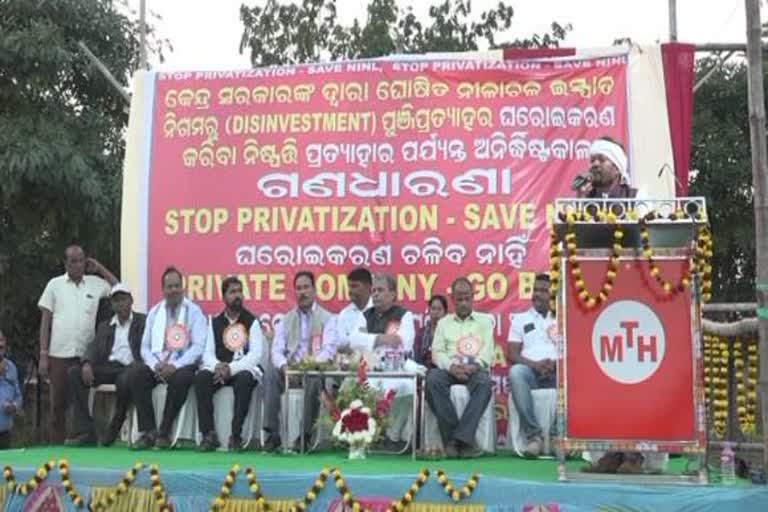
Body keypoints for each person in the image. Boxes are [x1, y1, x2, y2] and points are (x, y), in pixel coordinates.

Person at [37, 244, 117, 443]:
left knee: (80, 405)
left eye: (81, 260)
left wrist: (99, 268)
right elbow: (45, 321)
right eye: (73, 260)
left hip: (84, 356)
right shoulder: (54, 285)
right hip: (58, 354)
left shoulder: (95, 283)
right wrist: (43, 355)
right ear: (66, 263)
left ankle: (79, 443)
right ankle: (56, 448)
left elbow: (118, 287)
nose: (78, 264)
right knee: (58, 406)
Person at [128, 266, 206, 449]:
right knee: (136, 374)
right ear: (163, 289)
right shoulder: (155, 312)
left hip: (182, 363)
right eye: (169, 287)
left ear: (183, 287)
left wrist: (175, 365)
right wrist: (156, 364)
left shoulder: (193, 312)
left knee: (182, 378)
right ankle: (149, 432)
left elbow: (198, 347)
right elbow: (145, 347)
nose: (174, 290)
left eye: (177, 286)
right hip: (158, 363)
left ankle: (164, 432)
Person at [262, 271, 335, 452]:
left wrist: (307, 366)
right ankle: (273, 434)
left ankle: (305, 436)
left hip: (313, 367)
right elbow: (277, 351)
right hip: (290, 369)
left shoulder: (328, 319)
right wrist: (286, 367)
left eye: (306, 287)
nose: (302, 292)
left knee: (313, 378)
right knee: (271, 373)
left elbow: (329, 351)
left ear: (314, 290)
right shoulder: (285, 320)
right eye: (298, 288)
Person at [65, 283, 146, 446]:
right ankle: (85, 432)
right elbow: (93, 347)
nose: (120, 304)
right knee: (75, 372)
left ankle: (114, 427)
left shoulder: (142, 321)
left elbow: (149, 348)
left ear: (131, 301)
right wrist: (87, 363)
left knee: (126, 379)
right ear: (112, 304)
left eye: (123, 299)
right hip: (108, 367)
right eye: (116, 301)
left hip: (130, 368)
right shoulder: (105, 326)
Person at [426, 277, 494, 458]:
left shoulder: (485, 321)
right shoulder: (443, 323)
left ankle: (459, 440)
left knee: (485, 384)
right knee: (432, 380)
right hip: (450, 369)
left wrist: (473, 366)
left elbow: (487, 352)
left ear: (473, 297)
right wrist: (451, 367)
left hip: (474, 369)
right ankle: (454, 439)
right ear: (453, 300)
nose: (463, 303)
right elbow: (437, 352)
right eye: (459, 299)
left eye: (467, 298)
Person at [195, 276, 265, 452]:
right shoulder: (214, 321)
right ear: (223, 297)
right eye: (232, 292)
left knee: (244, 379)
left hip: (241, 370)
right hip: (220, 370)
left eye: (240, 291)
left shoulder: (252, 321)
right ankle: (208, 434)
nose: (237, 296)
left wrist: (231, 369)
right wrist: (218, 366)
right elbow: (207, 352)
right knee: (202, 378)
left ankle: (236, 435)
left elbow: (255, 355)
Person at [507, 273, 557, 457]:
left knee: (576, 376)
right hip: (531, 372)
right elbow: (512, 353)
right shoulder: (521, 319)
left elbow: (573, 352)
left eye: (543, 291)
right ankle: (534, 437)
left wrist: (556, 364)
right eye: (535, 290)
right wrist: (535, 365)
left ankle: (556, 436)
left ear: (553, 295)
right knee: (515, 372)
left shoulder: (563, 317)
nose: (537, 294)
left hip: (558, 373)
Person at [331, 268, 373, 356]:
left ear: (368, 287)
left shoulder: (379, 310)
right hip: (351, 365)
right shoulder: (344, 314)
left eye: (355, 286)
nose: (350, 291)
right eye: (349, 286)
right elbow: (341, 345)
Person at [0, 330, 22, 449]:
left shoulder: (11, 367)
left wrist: (14, 406)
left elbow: (18, 396)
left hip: (5, 432)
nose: (0, 345)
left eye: (1, 340)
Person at [414, 295, 448, 368]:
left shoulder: (449, 333)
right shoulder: (421, 333)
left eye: (439, 309)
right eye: (433, 309)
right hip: (423, 372)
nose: (436, 312)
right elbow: (417, 358)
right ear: (429, 311)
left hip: (444, 373)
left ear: (445, 312)